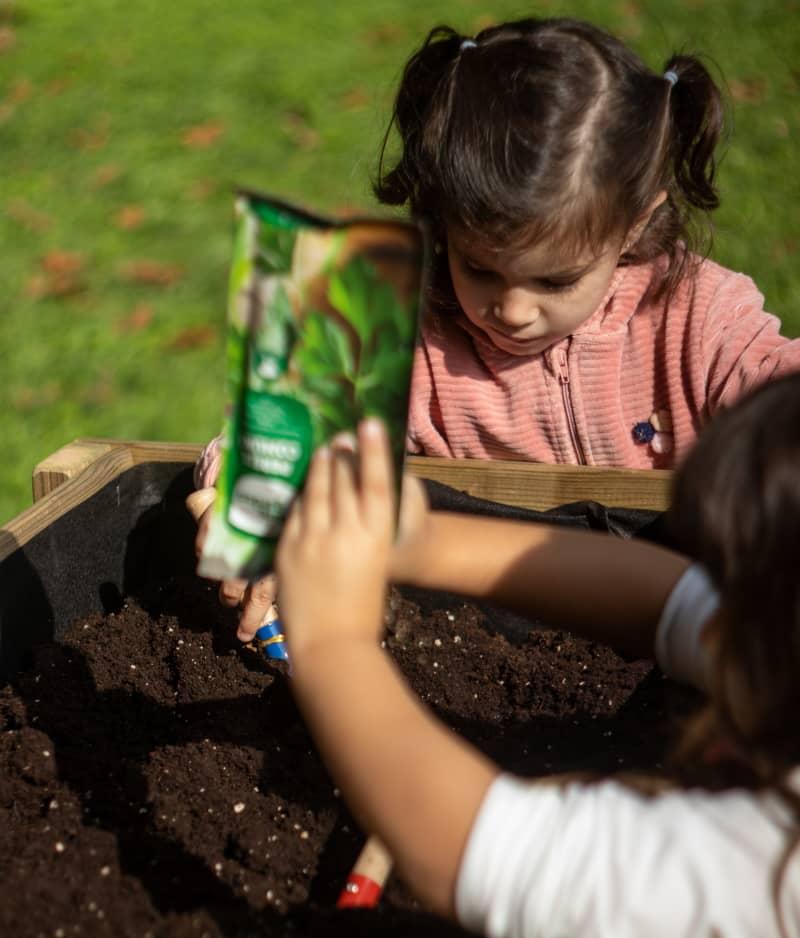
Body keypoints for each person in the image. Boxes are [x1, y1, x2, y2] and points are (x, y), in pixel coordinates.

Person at [272, 372, 800, 938]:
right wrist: (420, 546)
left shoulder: (770, 866)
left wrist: (334, 639)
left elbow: (479, 851)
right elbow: (666, 601)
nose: (718, 615)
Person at [190, 15, 800, 637]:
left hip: (692, 629)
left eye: (556, 281)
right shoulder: (404, 332)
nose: (512, 310)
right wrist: (261, 493)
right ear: (442, 218)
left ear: (637, 225)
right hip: (474, 637)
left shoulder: (697, 316)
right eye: (478, 267)